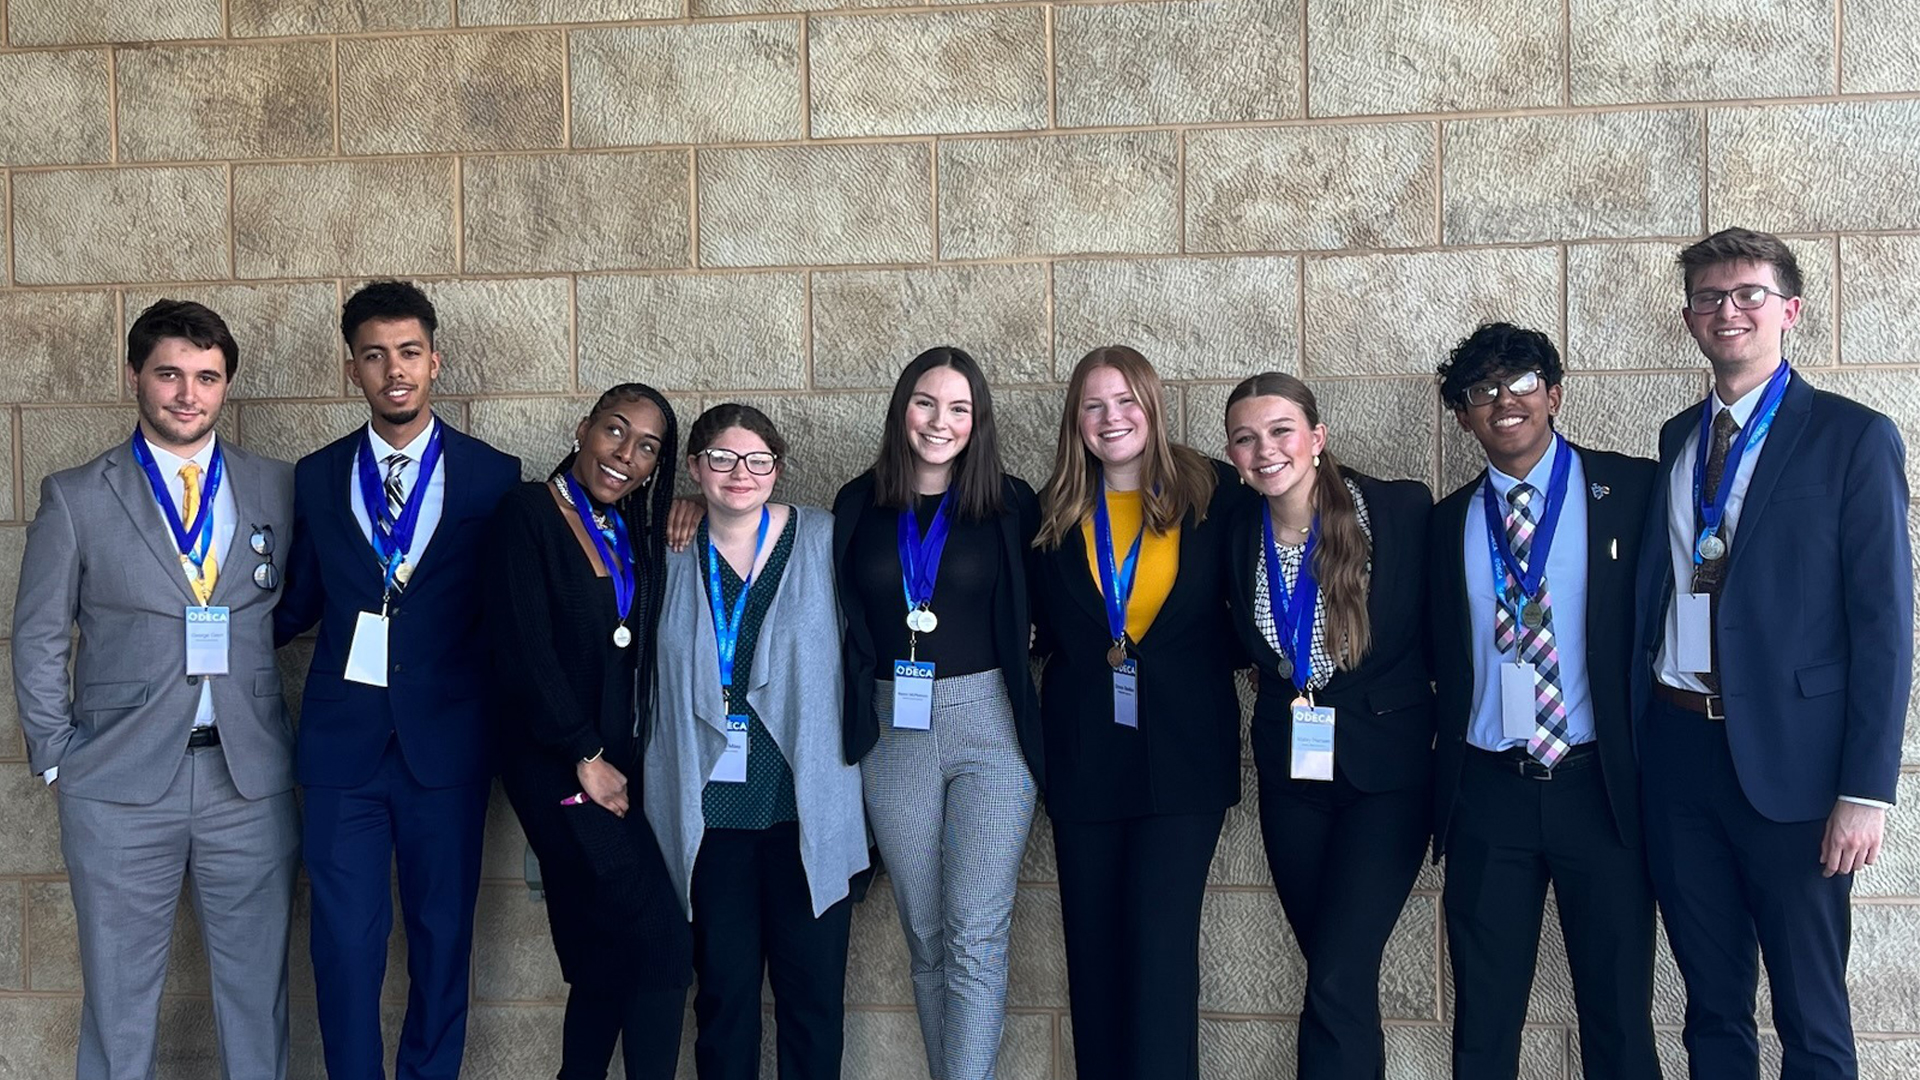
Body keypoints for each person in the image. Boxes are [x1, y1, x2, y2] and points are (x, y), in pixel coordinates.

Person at [1632, 228, 1911, 1080]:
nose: (1729, 311)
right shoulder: (1677, 437)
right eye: (1711, 297)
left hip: (1797, 769)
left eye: (1749, 294)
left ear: (1788, 310)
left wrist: (1865, 791)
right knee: (1711, 1009)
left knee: (1810, 1014)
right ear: (1689, 319)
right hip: (1679, 756)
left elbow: (1884, 624)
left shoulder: (1852, 438)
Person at [12, 300, 300, 1080]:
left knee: (255, 997)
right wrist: (56, 758)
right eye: (170, 373)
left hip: (248, 780)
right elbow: (39, 633)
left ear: (225, 387)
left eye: (207, 377)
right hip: (115, 785)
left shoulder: (275, 487)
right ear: (135, 375)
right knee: (118, 1000)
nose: (187, 393)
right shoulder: (75, 495)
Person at [276, 280, 521, 1080]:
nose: (394, 371)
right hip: (344, 750)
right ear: (353, 371)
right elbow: (297, 603)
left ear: (434, 361)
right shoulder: (315, 477)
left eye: (409, 352)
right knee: (343, 948)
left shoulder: (492, 476)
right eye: (375, 356)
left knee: (443, 938)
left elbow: (518, 603)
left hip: (446, 749)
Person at [1431, 324, 1662, 1079]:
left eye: (1523, 381)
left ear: (1555, 393)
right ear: (1463, 415)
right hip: (1489, 793)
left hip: (1600, 790)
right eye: (1482, 390)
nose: (1506, 400)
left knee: (1620, 1019)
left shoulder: (1631, 491)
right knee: (1484, 1025)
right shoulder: (1444, 524)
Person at [1027, 345, 1247, 1080]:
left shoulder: (1214, 495)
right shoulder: (1050, 513)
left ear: (1151, 407)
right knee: (1092, 956)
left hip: (1184, 761)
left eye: (1126, 401)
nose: (1110, 418)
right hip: (1085, 757)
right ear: (1076, 421)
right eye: (1094, 405)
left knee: (1159, 950)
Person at [831, 347, 1041, 1080]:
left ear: (977, 419)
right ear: (901, 408)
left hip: (990, 727)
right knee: (925, 934)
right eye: (926, 402)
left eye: (959, 407)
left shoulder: (1012, 502)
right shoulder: (858, 503)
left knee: (975, 934)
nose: (940, 421)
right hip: (895, 731)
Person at [1220, 372, 1435, 1080]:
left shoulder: (1398, 511)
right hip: (1293, 783)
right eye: (1246, 438)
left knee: (1338, 976)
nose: (1265, 449)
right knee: (1334, 978)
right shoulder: (1230, 531)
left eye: (1281, 430)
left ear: (1317, 437)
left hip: (1388, 781)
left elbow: (1443, 635)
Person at [645, 403, 868, 1080]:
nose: (740, 474)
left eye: (757, 460)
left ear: (777, 467)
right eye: (720, 459)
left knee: (812, 1002)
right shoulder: (668, 549)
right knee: (723, 999)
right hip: (711, 821)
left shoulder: (824, 538)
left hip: (805, 813)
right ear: (693, 468)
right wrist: (675, 507)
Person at [484, 384, 693, 1080]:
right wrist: (585, 755)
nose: (625, 455)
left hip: (615, 762)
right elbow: (523, 648)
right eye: (614, 432)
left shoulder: (630, 526)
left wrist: (688, 505)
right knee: (662, 947)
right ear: (582, 430)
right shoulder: (527, 513)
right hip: (563, 769)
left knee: (605, 960)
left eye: (647, 448)